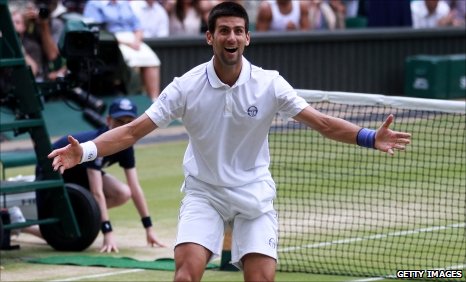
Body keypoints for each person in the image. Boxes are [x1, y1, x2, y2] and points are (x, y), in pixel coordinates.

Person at [48, 2, 411, 281]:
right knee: (186, 274)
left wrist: (368, 136)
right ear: (210, 37)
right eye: (224, 31)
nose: (232, 38)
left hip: (254, 196)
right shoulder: (185, 86)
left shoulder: (270, 83)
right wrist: (87, 151)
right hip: (204, 194)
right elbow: (132, 131)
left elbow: (322, 123)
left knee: (261, 278)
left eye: (238, 31)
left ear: (248, 37)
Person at [47, 98, 166, 253]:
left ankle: (80, 217)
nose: (124, 126)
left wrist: (149, 228)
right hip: (56, 171)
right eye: (119, 121)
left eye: (129, 122)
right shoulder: (96, 144)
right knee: (62, 232)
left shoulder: (127, 146)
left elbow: (134, 187)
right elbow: (97, 192)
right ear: (108, 120)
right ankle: (28, 228)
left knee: (124, 192)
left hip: (80, 175)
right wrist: (107, 231)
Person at [83, 0, 161, 101]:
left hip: (133, 39)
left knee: (152, 61)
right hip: (112, 41)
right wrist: (126, 43)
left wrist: (136, 41)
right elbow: (96, 31)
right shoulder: (94, 4)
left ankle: (154, 100)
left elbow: (138, 26)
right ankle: (135, 99)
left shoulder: (124, 3)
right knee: (133, 63)